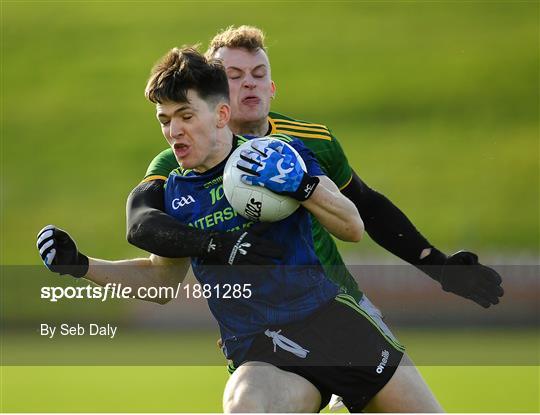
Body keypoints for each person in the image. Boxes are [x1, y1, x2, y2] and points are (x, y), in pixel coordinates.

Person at [37, 47, 442, 413]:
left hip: (336, 328)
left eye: (185, 116)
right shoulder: (176, 194)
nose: (174, 131)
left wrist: (301, 187)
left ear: (221, 114)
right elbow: (161, 285)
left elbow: (352, 226)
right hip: (262, 349)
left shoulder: (277, 155)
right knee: (245, 404)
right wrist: (82, 265)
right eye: (165, 120)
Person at [126, 26, 503, 310]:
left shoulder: (309, 142)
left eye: (259, 74)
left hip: (341, 304)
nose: (250, 85)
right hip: (264, 327)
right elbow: (146, 226)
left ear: (273, 87)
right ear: (213, 91)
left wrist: (437, 265)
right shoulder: (179, 160)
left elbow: (365, 207)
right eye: (234, 76)